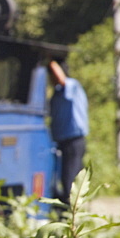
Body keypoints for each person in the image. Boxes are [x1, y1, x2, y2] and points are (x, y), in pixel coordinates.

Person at [48, 60, 88, 204]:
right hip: (62, 141)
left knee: (70, 181)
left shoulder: (72, 86)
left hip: (73, 140)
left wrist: (50, 61)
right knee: (64, 178)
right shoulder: (58, 93)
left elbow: (61, 79)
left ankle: (71, 216)